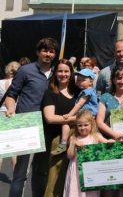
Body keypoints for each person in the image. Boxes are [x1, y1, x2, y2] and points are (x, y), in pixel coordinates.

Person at [5, 37, 58, 197]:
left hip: (48, 127)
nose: (48, 54)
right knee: (21, 173)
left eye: (51, 51)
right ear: (38, 52)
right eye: (45, 50)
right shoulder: (25, 70)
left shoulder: (58, 73)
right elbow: (11, 95)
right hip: (27, 126)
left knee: (41, 173)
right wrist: (10, 109)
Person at [41, 59, 77, 197]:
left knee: (74, 176)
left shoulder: (77, 91)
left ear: (71, 73)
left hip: (78, 137)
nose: (63, 74)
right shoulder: (50, 93)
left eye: (66, 71)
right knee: (55, 177)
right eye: (60, 71)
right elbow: (50, 118)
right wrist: (75, 118)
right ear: (55, 73)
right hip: (59, 140)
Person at [63, 110, 111, 197]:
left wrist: (111, 141)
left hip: (91, 171)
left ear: (91, 124)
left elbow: (107, 144)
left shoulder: (96, 136)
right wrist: (73, 144)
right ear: (76, 126)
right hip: (76, 171)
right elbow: (69, 156)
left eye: (86, 125)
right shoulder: (74, 138)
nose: (83, 128)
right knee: (75, 192)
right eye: (80, 125)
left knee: (89, 194)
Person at [51, 68, 99, 155]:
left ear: (91, 82)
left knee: (65, 122)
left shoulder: (88, 92)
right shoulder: (85, 90)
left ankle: (63, 143)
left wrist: (69, 114)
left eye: (83, 80)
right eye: (79, 80)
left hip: (87, 115)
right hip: (85, 114)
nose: (80, 82)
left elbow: (79, 105)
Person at [0, 62, 20, 171]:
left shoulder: (0, 83)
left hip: (1, 114)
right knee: (15, 150)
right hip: (15, 114)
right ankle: (16, 178)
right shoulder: (19, 83)